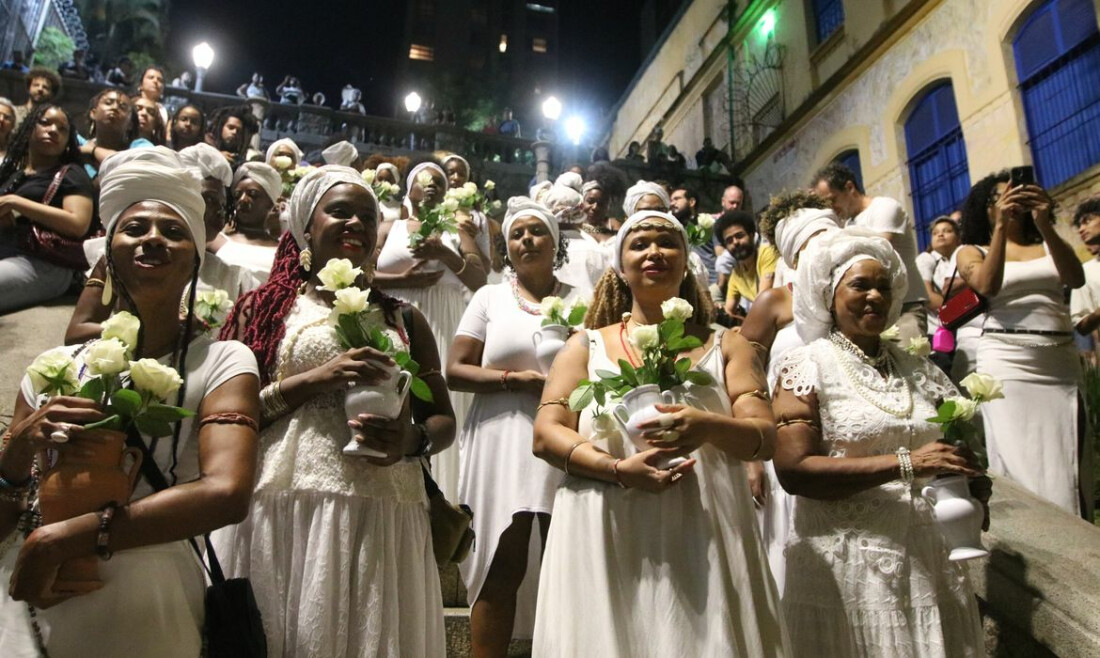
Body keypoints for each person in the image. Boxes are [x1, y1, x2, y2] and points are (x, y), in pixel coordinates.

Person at [0, 150, 260, 657]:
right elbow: (6, 511)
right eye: (135, 227)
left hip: (151, 597)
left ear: (194, 259)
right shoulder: (52, 365)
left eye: (173, 230)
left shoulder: (226, 361)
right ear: (109, 253)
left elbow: (228, 492)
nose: (153, 238)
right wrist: (17, 450)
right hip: (37, 592)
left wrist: (60, 541)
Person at [215, 165, 452, 656]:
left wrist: (410, 442)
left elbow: (442, 418)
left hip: (386, 503)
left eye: (367, 216)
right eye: (339, 212)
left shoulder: (404, 317)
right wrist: (312, 380)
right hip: (285, 500)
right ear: (306, 227)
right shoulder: (261, 310)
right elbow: (223, 416)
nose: (356, 224)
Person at [531, 209, 788, 656]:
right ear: (619, 265)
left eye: (667, 242)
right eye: (640, 243)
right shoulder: (583, 345)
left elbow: (764, 436)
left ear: (686, 260)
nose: (655, 251)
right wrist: (615, 469)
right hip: (606, 524)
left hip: (703, 526)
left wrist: (707, 425)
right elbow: (546, 433)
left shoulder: (728, 343)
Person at [771, 227, 986, 657]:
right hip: (849, 570)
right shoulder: (805, 366)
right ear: (830, 294)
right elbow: (794, 471)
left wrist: (972, 483)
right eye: (860, 285)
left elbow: (945, 449)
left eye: (883, 286)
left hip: (931, 560)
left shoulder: (919, 369)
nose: (874, 296)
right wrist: (906, 464)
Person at [448, 197, 575, 655]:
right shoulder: (489, 297)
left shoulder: (584, 298)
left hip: (567, 434)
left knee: (572, 558)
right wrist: (514, 380)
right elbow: (455, 370)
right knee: (501, 561)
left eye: (536, 231)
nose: (526, 239)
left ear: (555, 242)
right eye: (516, 234)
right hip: (501, 437)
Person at [956, 171, 1091, 518]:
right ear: (986, 208)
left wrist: (1045, 223)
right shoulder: (971, 251)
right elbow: (987, 285)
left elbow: (1075, 278)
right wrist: (1000, 228)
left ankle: (1078, 538)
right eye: (1001, 198)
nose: (1011, 203)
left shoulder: (1047, 243)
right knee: (1019, 458)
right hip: (1007, 361)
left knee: (1068, 461)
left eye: (1018, 194)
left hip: (1058, 361)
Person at [738, 191, 839, 593]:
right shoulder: (775, 303)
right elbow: (742, 377)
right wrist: (751, 459)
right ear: (794, 257)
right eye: (817, 242)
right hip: (788, 449)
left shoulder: (855, 299)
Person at [374, 160, 488, 501]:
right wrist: (403, 280)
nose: (433, 183)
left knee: (445, 403)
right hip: (397, 318)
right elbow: (362, 272)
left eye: (439, 179)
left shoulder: (458, 227)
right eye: (424, 179)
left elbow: (480, 278)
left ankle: (449, 501)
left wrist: (443, 252)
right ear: (408, 190)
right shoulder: (388, 228)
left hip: (447, 320)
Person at [812, 162, 928, 342]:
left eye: (832, 199)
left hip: (906, 307)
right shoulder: (847, 225)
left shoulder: (884, 207)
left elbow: (877, 253)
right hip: (871, 312)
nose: (831, 208)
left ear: (849, 187)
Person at [0, 104, 95, 313]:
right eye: (45, 123)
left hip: (45, 263)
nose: (53, 130)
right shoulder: (16, 174)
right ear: (28, 128)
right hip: (8, 250)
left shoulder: (71, 173)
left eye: (63, 129)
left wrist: (16, 203)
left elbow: (78, 224)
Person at [219, 162, 281, 283]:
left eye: (253, 194)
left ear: (271, 202)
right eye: (237, 195)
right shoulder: (218, 240)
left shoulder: (283, 250)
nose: (242, 200)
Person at [719, 210, 779, 319]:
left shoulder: (766, 253)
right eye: (729, 240)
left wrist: (746, 327)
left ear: (751, 235)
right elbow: (728, 311)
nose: (735, 242)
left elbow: (763, 300)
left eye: (739, 236)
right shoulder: (736, 273)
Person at [78, 89, 150, 177]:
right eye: (108, 103)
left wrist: (93, 151)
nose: (115, 107)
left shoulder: (140, 146)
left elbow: (141, 169)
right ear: (93, 113)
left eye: (123, 107)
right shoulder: (79, 146)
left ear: (130, 124)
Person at [916, 216, 961, 339]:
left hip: (959, 329)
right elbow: (925, 294)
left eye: (947, 231)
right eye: (935, 233)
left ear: (958, 238)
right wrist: (960, 309)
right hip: (936, 332)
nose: (940, 235)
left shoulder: (960, 261)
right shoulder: (926, 259)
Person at [671, 185, 724, 286]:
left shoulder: (708, 223)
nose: (672, 203)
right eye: (671, 200)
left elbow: (721, 256)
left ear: (691, 202)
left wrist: (719, 286)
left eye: (677, 199)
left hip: (712, 285)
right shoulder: (675, 231)